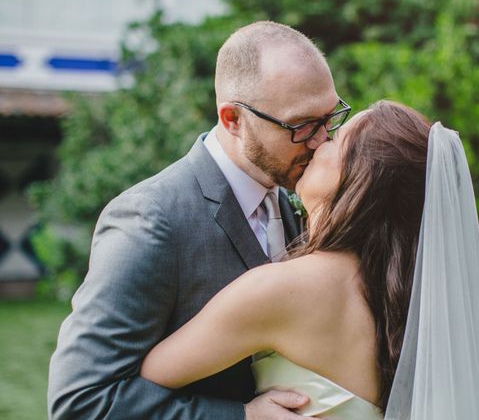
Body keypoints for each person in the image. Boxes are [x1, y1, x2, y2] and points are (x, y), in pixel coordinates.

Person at [48, 21, 349, 419]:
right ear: (232, 120)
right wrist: (241, 417)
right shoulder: (151, 220)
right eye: (301, 126)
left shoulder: (303, 199)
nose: (321, 140)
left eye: (329, 117)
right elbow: (82, 401)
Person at [140, 101, 479, 419]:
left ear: (360, 178)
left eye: (336, 138)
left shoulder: (283, 289)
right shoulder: (414, 304)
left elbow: (140, 381)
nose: (319, 142)